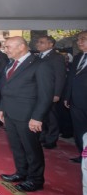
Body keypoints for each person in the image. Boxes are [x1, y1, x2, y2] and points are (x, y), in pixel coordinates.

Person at [0, 36, 53, 192]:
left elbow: (46, 95)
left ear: (21, 47)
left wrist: (37, 117)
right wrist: (2, 108)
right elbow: (7, 88)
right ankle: (21, 173)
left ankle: (35, 180)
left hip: (28, 116)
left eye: (8, 46)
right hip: (10, 113)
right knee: (16, 147)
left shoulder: (40, 65)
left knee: (31, 149)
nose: (5, 50)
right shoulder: (11, 64)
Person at [36, 36, 66, 149]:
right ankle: (43, 136)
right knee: (42, 115)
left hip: (51, 92)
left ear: (50, 44)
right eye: (38, 42)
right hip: (40, 91)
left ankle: (51, 140)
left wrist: (57, 93)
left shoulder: (56, 57)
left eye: (41, 42)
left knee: (52, 117)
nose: (38, 44)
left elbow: (60, 76)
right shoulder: (38, 56)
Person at [65, 31, 87, 163]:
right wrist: (68, 96)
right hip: (76, 101)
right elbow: (71, 79)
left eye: (83, 39)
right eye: (78, 39)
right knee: (79, 129)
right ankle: (83, 154)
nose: (79, 42)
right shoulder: (78, 57)